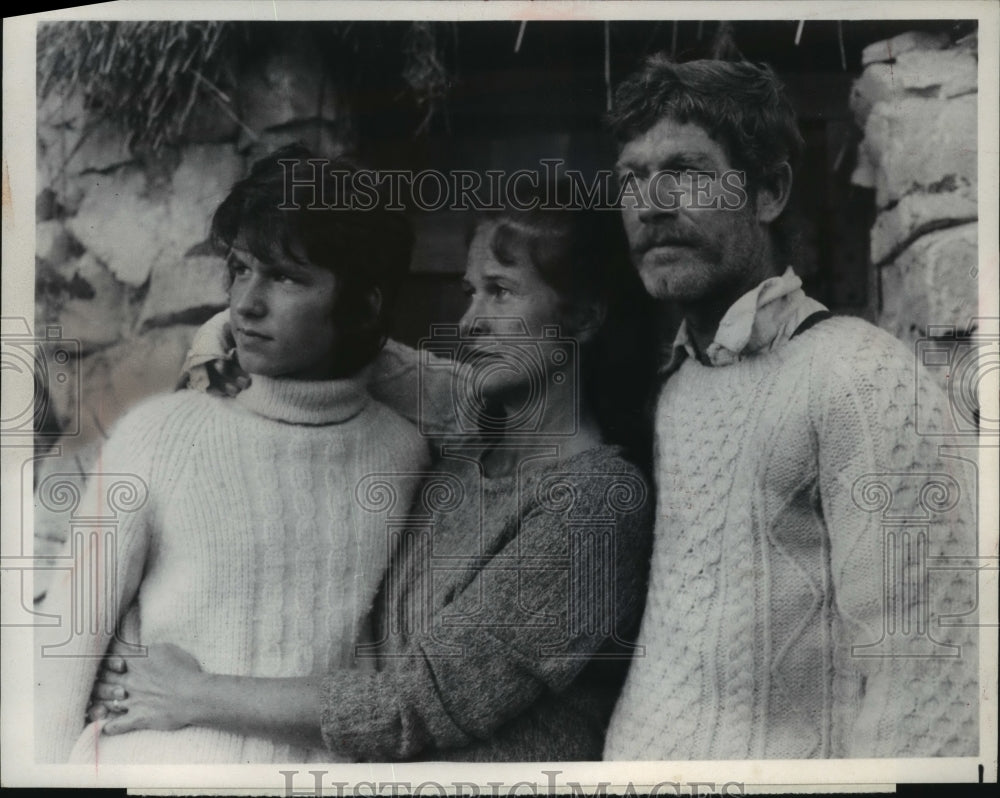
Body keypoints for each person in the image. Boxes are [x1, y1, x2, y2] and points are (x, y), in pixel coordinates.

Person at [83, 182, 658, 761]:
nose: (469, 321)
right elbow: (355, 348)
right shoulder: (461, 451)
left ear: (583, 319)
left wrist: (193, 694)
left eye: (500, 292)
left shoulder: (598, 504)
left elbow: (412, 709)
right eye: (469, 291)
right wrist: (230, 332)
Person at [600, 56, 978, 759]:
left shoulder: (859, 375)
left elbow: (926, 678)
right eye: (630, 178)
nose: (650, 203)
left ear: (769, 191)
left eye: (684, 170)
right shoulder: (680, 385)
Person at [34, 145, 429, 763]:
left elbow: (385, 683)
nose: (245, 304)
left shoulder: (404, 454)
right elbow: (62, 655)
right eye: (240, 269)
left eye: (285, 277)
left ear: (364, 304)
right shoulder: (160, 435)